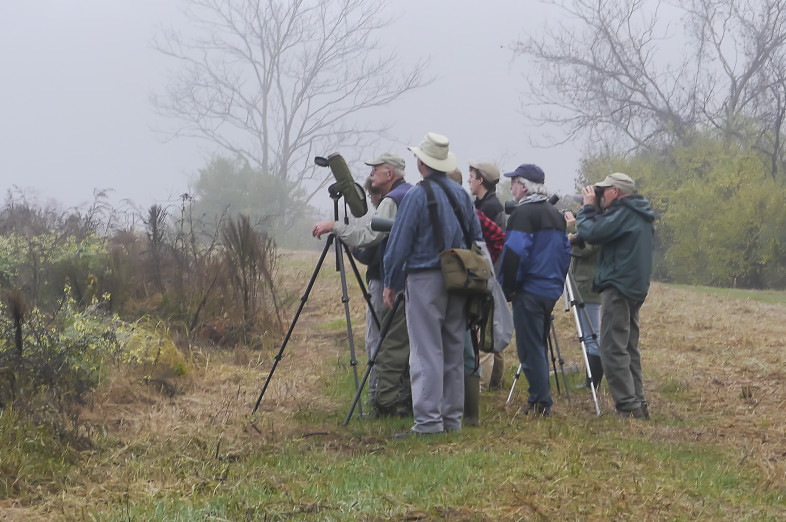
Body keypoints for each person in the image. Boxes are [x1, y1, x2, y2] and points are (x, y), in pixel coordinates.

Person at [383, 132, 483, 437]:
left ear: (422, 163)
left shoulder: (416, 195)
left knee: (426, 351)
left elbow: (399, 242)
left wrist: (390, 281)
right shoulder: (461, 195)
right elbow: (476, 238)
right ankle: (451, 419)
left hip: (426, 278)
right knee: (453, 348)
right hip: (459, 277)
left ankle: (427, 423)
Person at [313, 153, 413, 416]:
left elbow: (371, 236)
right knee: (405, 340)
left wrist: (335, 227)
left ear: (389, 173)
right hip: (412, 277)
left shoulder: (393, 200)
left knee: (380, 339)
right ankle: (405, 397)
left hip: (390, 279)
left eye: (375, 171)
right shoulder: (412, 193)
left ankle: (380, 399)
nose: (371, 176)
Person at [575, 173, 655, 419]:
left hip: (618, 286)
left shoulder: (624, 213)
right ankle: (638, 403)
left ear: (616, 191)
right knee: (628, 347)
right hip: (634, 286)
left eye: (603, 190)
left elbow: (593, 232)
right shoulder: (638, 212)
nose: (599, 194)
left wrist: (587, 209)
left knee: (611, 347)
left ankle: (628, 406)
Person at [498, 164, 571, 417]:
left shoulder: (523, 214)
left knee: (529, 349)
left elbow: (515, 252)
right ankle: (541, 399)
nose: (511, 187)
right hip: (549, 290)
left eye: (514, 182)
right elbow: (565, 253)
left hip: (528, 289)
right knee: (538, 345)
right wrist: (557, 285)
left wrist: (509, 287)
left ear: (525, 185)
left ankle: (540, 402)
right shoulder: (555, 214)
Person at [467, 161, 508, 391]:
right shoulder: (482, 204)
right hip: (488, 272)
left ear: (481, 180)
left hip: (490, 274)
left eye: (472, 176)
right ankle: (495, 382)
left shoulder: (491, 207)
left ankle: (488, 383)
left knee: (490, 325)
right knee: (491, 324)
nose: (469, 180)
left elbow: (496, 242)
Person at [563, 210, 604, 389]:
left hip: (589, 287)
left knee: (592, 335)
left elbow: (584, 249)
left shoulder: (598, 227)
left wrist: (571, 227)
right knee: (588, 335)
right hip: (581, 285)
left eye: (584, 202)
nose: (580, 207)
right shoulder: (591, 226)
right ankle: (590, 378)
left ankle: (594, 381)